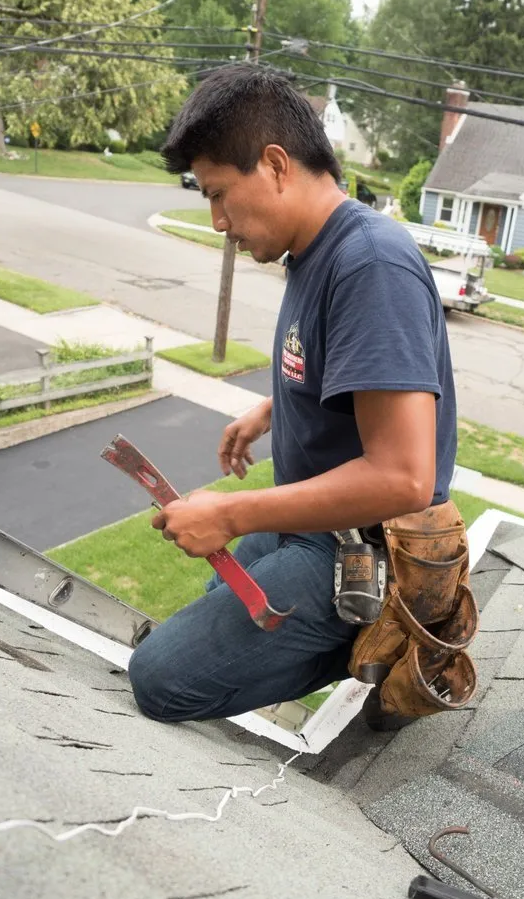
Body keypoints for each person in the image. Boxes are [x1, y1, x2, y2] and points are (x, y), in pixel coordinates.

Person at [127, 63, 458, 724]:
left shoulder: (370, 264)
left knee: (160, 680)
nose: (219, 220)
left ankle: (387, 644)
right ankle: (286, 637)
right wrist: (274, 407)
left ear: (276, 164)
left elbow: (404, 477)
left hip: (366, 552)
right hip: (310, 527)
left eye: (221, 194)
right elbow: (354, 369)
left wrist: (233, 512)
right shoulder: (317, 250)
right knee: (210, 593)